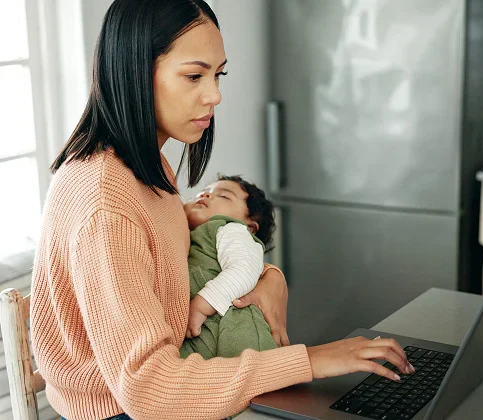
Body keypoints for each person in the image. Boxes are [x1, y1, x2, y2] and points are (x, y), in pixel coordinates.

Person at [30, 1, 413, 419]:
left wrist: (268, 276)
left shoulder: (143, 166)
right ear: (134, 71)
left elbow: (180, 265)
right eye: (194, 75)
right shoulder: (105, 204)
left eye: (218, 74)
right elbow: (150, 391)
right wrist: (312, 361)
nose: (214, 95)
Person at [180, 174, 278, 359]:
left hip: (236, 328)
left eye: (223, 196)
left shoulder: (231, 229)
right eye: (202, 192)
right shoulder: (186, 232)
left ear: (250, 227)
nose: (205, 195)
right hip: (203, 333)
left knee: (254, 377)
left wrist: (203, 304)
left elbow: (244, 268)